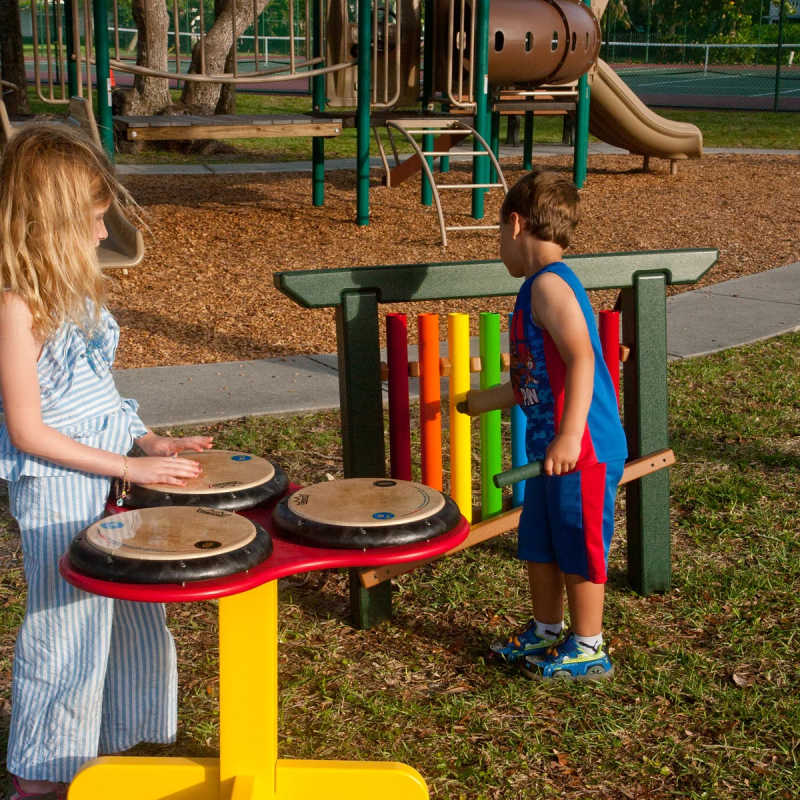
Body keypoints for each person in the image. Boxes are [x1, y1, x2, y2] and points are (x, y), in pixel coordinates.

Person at [0, 123, 213, 799]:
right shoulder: (15, 307)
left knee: (128, 614)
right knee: (68, 629)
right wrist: (129, 469)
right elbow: (28, 431)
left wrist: (146, 442)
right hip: (60, 491)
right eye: (93, 221)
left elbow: (97, 392)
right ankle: (41, 773)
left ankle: (108, 751)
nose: (102, 234)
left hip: (109, 477)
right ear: (49, 224)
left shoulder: (72, 292)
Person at [460, 168, 627, 680]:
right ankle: (546, 629)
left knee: (577, 542)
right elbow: (536, 377)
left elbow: (581, 358)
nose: (499, 249)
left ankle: (589, 646)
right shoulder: (535, 289)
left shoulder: (551, 285)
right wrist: (482, 400)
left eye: (497, 235)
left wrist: (570, 436)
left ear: (515, 224)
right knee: (540, 542)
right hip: (551, 451)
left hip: (583, 448)